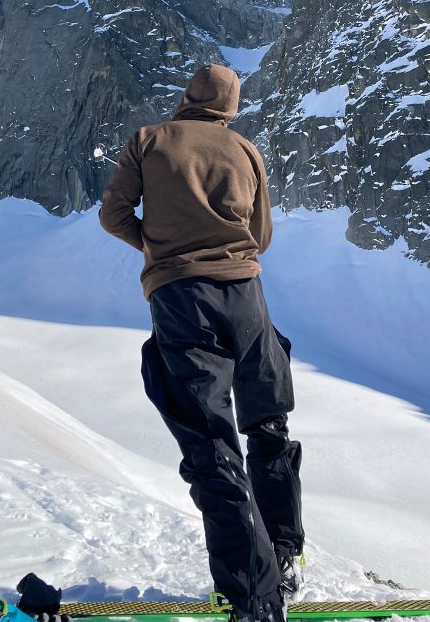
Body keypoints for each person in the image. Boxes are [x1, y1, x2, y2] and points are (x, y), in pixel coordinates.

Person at [99, 64, 304, 622]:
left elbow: (112, 213)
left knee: (211, 444)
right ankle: (285, 556)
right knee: (268, 425)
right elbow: (259, 236)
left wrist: (159, 247)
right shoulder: (246, 150)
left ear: (187, 96)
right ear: (232, 106)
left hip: (181, 296)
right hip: (247, 295)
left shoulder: (149, 140)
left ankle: (252, 598)